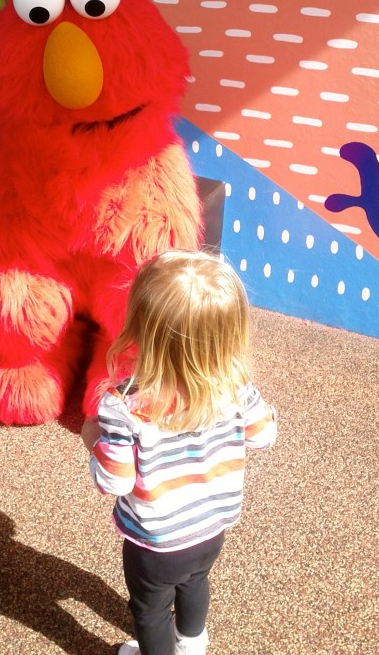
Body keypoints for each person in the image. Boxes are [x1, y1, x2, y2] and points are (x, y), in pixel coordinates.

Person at [82, 250, 277, 655]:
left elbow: (113, 480)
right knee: (195, 583)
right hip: (212, 528)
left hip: (155, 541)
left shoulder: (124, 404)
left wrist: (92, 439)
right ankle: (192, 643)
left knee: (151, 610)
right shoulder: (236, 385)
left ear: (141, 329)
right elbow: (263, 436)